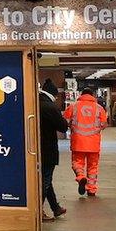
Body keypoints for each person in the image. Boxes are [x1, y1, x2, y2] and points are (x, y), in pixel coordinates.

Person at [64, 87, 108, 196]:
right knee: (93, 167)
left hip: (78, 142)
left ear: (81, 95)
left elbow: (65, 121)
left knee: (77, 163)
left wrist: (73, 127)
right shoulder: (99, 108)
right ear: (92, 95)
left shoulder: (73, 107)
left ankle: (81, 177)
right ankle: (91, 189)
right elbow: (104, 124)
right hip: (93, 143)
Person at [39, 79, 69, 220]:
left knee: (46, 179)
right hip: (47, 149)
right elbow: (62, 126)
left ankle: (55, 208)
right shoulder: (49, 106)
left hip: (37, 149)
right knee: (45, 180)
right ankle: (38, 211)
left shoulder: (35, 102)